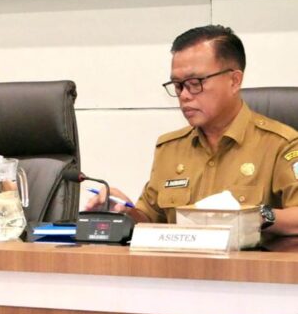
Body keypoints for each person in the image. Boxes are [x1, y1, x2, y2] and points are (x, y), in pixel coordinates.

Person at [86, 25, 298, 235]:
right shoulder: (170, 148)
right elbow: (150, 220)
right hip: (182, 258)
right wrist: (124, 210)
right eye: (178, 85)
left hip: (250, 258)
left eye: (195, 83)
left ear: (234, 81)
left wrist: (255, 216)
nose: (184, 95)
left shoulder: (281, 144)